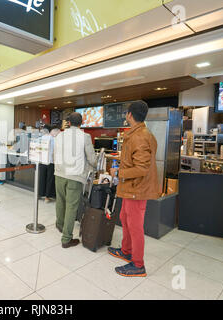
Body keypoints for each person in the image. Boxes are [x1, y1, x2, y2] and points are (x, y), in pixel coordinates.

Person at [107, 101, 159, 277]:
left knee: (135, 226)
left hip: (137, 189)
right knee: (125, 218)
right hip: (130, 187)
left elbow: (142, 169)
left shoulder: (140, 136)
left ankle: (138, 265)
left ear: (129, 115)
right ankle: (126, 250)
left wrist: (119, 171)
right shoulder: (139, 134)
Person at [54, 112, 96, 248]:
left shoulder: (59, 135)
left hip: (59, 173)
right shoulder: (85, 137)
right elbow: (92, 158)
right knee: (71, 206)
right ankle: (66, 239)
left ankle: (61, 225)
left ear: (69, 123)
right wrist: (95, 166)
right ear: (81, 123)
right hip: (75, 176)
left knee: (60, 201)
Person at [39, 124, 56, 203]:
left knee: (42, 177)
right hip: (51, 162)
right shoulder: (53, 138)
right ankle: (47, 197)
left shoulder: (41, 138)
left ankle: (40, 194)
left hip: (42, 161)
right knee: (49, 179)